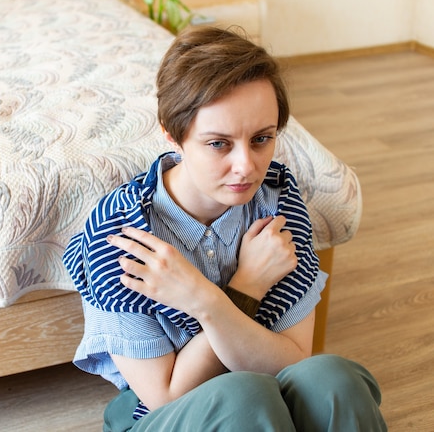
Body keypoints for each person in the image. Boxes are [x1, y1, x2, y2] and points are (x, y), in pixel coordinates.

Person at [63, 26, 386, 431]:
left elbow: (294, 361)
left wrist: (209, 302)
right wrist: (242, 289)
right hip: (162, 416)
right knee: (245, 395)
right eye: (218, 143)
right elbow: (166, 396)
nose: (246, 167)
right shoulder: (121, 234)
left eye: (261, 139)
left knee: (333, 378)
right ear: (171, 134)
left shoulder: (277, 204)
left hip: (268, 402)